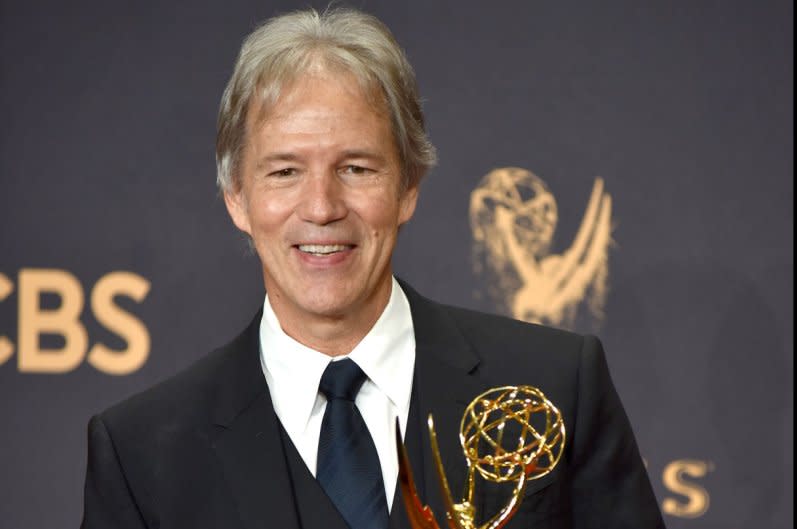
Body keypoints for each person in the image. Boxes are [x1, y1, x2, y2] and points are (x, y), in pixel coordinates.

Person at [81, 7, 665, 529]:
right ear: (237, 197)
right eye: (284, 171)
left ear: (408, 186)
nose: (321, 207)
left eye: (356, 168)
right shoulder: (143, 454)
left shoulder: (556, 387)